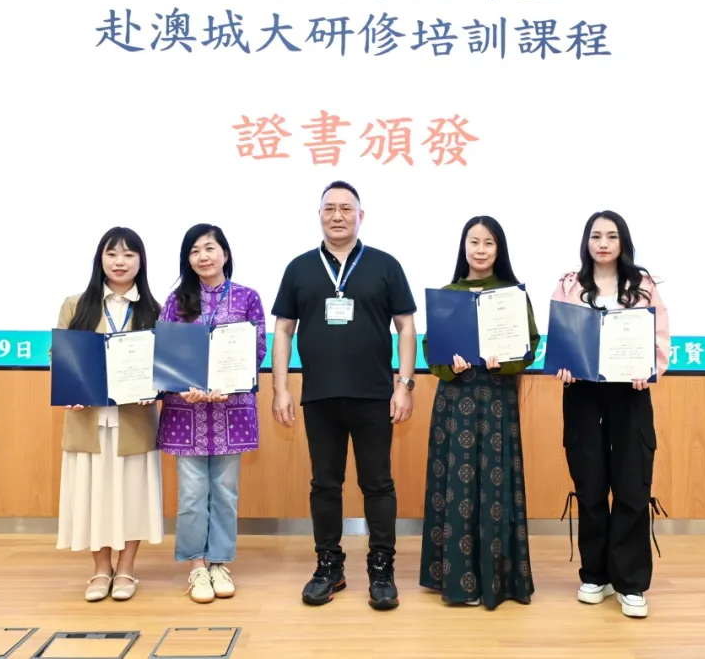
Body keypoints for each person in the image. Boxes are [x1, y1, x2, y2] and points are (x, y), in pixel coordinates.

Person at [270, 180, 418, 611]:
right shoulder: (299, 268)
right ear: (319, 215)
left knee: (378, 484)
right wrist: (280, 388)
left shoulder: (385, 265)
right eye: (329, 208)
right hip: (319, 396)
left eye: (346, 208)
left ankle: (381, 569)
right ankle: (328, 567)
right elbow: (283, 330)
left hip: (374, 395)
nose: (337, 215)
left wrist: (404, 384)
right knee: (324, 484)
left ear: (360, 216)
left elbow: (406, 326)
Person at [551, 210, 670, 619]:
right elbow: (560, 339)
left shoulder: (643, 286)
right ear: (586, 242)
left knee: (632, 487)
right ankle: (595, 575)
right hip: (582, 394)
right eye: (596, 236)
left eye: (612, 236)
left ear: (623, 242)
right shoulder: (569, 285)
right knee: (590, 487)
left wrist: (648, 369)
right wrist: (563, 365)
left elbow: (660, 339)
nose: (603, 243)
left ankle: (630, 583)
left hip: (629, 395)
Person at [419, 216, 540, 610]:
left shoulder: (512, 295)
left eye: (489, 243)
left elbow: (529, 345)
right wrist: (448, 365)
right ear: (464, 247)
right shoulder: (447, 294)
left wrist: (505, 361)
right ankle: (455, 580)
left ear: (498, 249)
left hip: (496, 401)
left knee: (494, 486)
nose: (481, 250)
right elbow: (431, 349)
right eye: (474, 242)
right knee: (455, 486)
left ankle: (496, 580)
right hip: (454, 401)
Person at [157, 224, 267, 604]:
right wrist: (180, 386)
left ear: (225, 254)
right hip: (185, 411)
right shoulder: (176, 301)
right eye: (194, 251)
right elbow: (166, 353)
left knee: (225, 492)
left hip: (231, 410)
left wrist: (230, 383)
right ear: (187, 260)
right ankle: (196, 565)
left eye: (209, 248)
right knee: (191, 495)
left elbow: (256, 349)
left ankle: (219, 562)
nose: (203, 256)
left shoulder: (248, 298)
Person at [54, 226, 165, 602]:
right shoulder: (75, 305)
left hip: (133, 422)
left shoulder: (154, 309)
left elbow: (163, 365)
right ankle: (101, 569)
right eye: (112, 253)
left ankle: (127, 568)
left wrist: (155, 388)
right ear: (100, 259)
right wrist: (69, 387)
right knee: (93, 497)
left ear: (140, 261)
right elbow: (59, 355)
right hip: (88, 421)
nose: (120, 261)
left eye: (129, 254)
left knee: (132, 497)